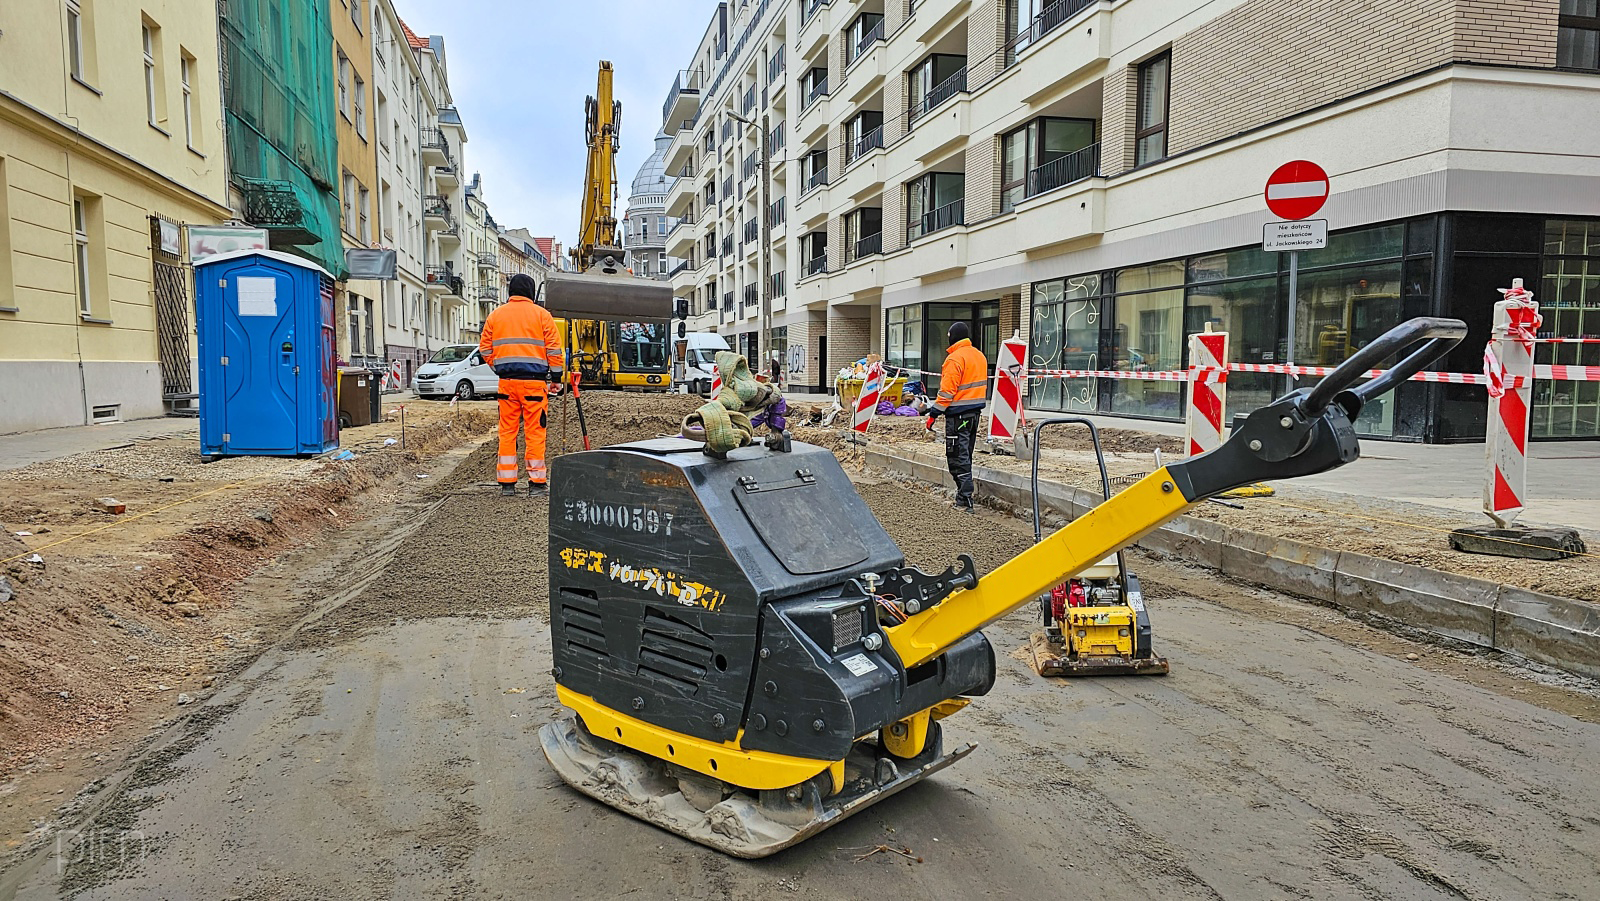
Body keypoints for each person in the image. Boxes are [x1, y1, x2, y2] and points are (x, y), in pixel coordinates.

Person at [479, 274, 564, 497]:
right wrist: (556, 379)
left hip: (506, 384)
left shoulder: (496, 316)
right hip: (534, 386)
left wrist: (498, 367)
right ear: (531, 292)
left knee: (507, 432)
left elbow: (485, 349)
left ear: (510, 291)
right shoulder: (542, 316)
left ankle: (507, 484)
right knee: (535, 433)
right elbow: (554, 350)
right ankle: (536, 484)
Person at [924, 321, 989, 512]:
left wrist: (934, 413)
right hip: (974, 414)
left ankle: (965, 499)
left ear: (953, 336)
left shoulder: (955, 359)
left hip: (958, 416)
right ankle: (963, 496)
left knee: (956, 457)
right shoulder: (979, 356)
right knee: (965, 454)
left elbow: (947, 392)